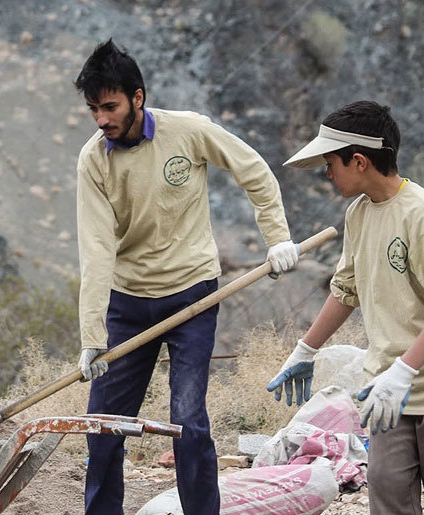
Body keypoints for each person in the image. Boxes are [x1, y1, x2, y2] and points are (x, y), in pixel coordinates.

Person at [73, 39, 297, 515]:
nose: (101, 119)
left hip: (192, 298)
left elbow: (253, 170)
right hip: (127, 304)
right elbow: (95, 250)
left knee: (188, 422)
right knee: (104, 425)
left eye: (109, 106)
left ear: (138, 97)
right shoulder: (94, 160)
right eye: (93, 109)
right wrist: (92, 335)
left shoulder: (188, 131)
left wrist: (276, 237)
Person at [267, 100, 424, 514]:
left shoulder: (419, 214)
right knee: (388, 496)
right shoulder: (358, 214)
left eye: (330, 162)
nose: (327, 172)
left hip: (409, 381)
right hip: (385, 397)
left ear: (358, 161)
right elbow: (345, 290)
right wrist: (305, 350)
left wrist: (405, 370)